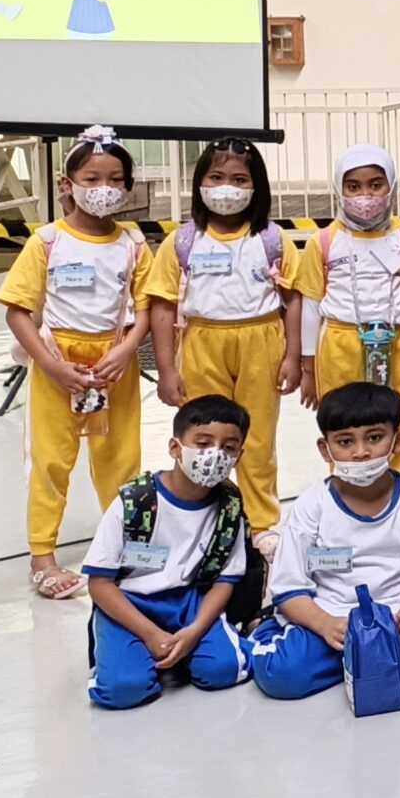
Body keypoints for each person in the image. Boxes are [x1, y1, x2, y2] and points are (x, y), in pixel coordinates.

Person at [249, 382, 400, 698]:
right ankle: (277, 630)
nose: (361, 452)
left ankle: (375, 652)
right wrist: (324, 624)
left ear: (398, 440)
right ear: (325, 449)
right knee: (283, 675)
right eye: (345, 442)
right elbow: (290, 587)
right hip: (336, 622)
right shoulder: (312, 506)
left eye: (375, 437)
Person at [1, 124, 148, 600]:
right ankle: (42, 554)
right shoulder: (47, 241)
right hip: (57, 365)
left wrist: (126, 349)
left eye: (115, 180)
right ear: (68, 185)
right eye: (92, 179)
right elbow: (17, 310)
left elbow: (147, 306)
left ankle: (125, 544)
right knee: (51, 459)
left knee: (121, 458)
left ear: (128, 186)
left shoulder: (133, 243)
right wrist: (50, 365)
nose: (104, 189)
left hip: (113, 366)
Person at [143, 139, 300, 556]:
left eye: (239, 179)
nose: (226, 188)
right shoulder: (183, 241)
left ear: (256, 186)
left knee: (258, 439)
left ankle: (261, 522)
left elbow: (293, 298)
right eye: (215, 177)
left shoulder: (272, 239)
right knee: (203, 436)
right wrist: (166, 369)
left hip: (261, 341)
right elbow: (162, 306)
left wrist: (293, 356)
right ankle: (205, 514)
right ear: (199, 183)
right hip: (201, 341)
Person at [82, 395, 256, 709]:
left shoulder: (229, 508)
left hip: (190, 603)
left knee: (224, 670)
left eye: (228, 447)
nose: (215, 454)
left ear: (239, 456)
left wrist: (194, 632)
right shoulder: (136, 502)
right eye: (203, 443)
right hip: (130, 604)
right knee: (124, 690)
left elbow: (225, 581)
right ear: (175, 448)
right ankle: (129, 655)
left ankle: (184, 648)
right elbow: (100, 583)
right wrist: (150, 634)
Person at [290, 145, 400, 442]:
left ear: (391, 187)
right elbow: (311, 306)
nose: (365, 195)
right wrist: (308, 369)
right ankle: (343, 472)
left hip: (396, 344)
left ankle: (394, 472)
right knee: (342, 424)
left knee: (394, 425)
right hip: (339, 347)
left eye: (376, 185)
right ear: (339, 190)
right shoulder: (323, 241)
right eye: (353, 187)